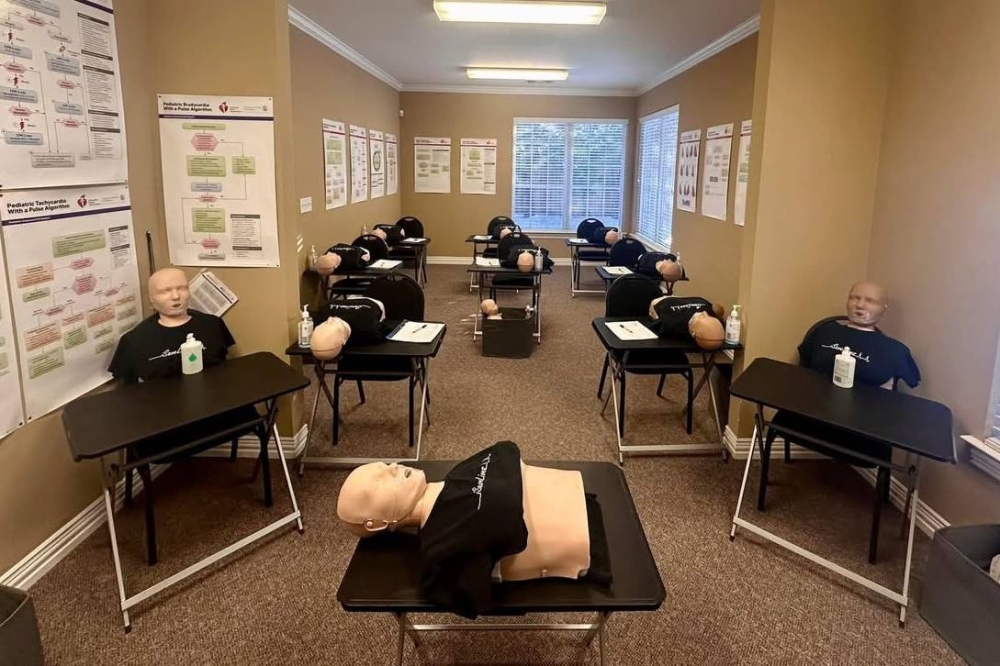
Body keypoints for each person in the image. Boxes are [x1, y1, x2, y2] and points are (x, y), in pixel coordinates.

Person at [336, 441, 611, 618]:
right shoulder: (441, 546)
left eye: (384, 466)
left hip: (580, 501)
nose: (393, 467)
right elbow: (474, 598)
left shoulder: (458, 474)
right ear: (377, 523)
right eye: (380, 481)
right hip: (586, 544)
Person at [108, 267, 237, 383]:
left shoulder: (213, 325)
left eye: (182, 288)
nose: (175, 296)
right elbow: (127, 390)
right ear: (152, 298)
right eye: (165, 291)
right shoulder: (134, 340)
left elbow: (227, 368)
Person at [797, 281, 919, 388]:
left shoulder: (895, 351)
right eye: (854, 298)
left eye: (870, 301)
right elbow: (803, 366)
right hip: (812, 406)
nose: (860, 305)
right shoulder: (824, 331)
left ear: (883, 308)